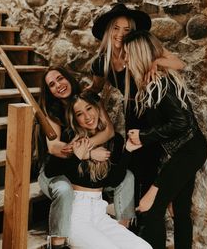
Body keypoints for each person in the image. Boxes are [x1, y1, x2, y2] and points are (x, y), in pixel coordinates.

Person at [89, 2, 185, 228]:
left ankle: (149, 219)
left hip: (152, 113)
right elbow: (95, 88)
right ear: (107, 30)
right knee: (132, 165)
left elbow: (178, 63)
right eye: (115, 28)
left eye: (126, 29)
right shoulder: (101, 62)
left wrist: (156, 61)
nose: (120, 34)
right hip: (132, 113)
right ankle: (129, 220)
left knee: (151, 163)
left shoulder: (140, 49)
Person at [123, 30, 207, 249]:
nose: (125, 60)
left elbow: (181, 122)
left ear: (138, 55)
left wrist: (144, 137)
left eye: (128, 55)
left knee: (150, 207)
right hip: (187, 149)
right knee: (179, 211)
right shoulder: (152, 80)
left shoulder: (159, 82)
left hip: (188, 150)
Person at [37, 67, 135, 248]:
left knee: (127, 177)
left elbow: (109, 131)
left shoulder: (87, 99)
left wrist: (87, 146)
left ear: (68, 78)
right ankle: (58, 241)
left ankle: (123, 228)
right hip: (54, 170)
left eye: (60, 78)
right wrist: (86, 152)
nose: (58, 85)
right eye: (52, 84)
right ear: (49, 91)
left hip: (81, 164)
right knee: (64, 190)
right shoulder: (51, 111)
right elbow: (54, 147)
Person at [44, 91, 152, 249]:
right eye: (80, 114)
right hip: (76, 215)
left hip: (99, 213)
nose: (87, 117)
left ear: (97, 108)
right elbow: (50, 171)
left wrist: (127, 151)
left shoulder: (115, 140)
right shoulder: (71, 137)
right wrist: (80, 156)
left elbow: (113, 181)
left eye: (89, 108)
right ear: (75, 119)